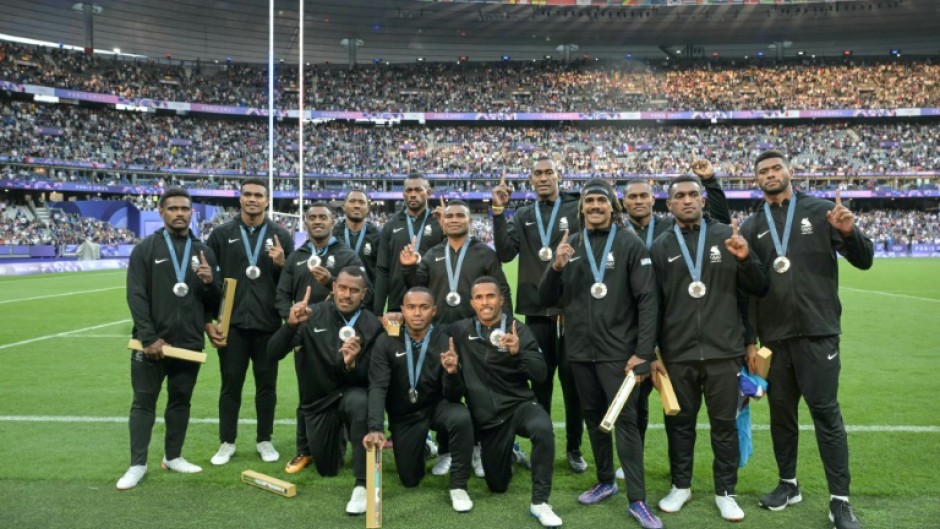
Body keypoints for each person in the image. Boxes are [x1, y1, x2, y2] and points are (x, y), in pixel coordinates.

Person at [740, 150, 872, 529]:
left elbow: (864, 260)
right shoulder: (752, 226)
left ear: (789, 172)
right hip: (775, 340)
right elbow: (749, 291)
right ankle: (788, 484)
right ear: (756, 180)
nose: (769, 175)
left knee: (826, 414)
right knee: (782, 417)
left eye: (775, 168)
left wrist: (849, 232)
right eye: (762, 171)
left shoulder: (820, 211)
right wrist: (750, 342)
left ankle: (840, 501)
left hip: (819, 333)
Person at [538, 179, 661, 529]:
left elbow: (648, 301)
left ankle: (637, 500)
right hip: (578, 352)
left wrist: (642, 352)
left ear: (612, 207)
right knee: (594, 419)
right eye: (589, 201)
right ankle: (606, 480)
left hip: (619, 355)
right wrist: (557, 265)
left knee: (624, 424)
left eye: (601, 201)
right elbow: (545, 298)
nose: (594, 206)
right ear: (582, 208)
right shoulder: (570, 245)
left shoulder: (629, 243)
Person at [649, 175, 769, 521]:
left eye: (693, 195)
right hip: (678, 354)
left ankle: (726, 492)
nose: (687, 200)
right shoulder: (660, 245)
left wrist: (746, 259)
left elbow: (755, 289)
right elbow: (652, 304)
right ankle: (681, 487)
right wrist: (655, 351)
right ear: (669, 205)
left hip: (724, 352)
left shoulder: (726, 237)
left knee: (724, 426)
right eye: (679, 196)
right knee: (679, 425)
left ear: (703, 201)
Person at [620, 160, 731, 478]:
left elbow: (717, 223)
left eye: (644, 196)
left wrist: (711, 181)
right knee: (637, 404)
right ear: (624, 202)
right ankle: (633, 461)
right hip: (636, 328)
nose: (639, 201)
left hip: (681, 337)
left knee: (687, 415)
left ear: (655, 202)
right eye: (633, 196)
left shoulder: (670, 231)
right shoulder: (621, 233)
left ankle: (710, 483)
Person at [401, 199, 514, 477]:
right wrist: (408, 267)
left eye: (459, 215)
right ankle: (448, 450)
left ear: (469, 220)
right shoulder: (432, 254)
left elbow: (502, 291)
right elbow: (417, 289)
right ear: (442, 222)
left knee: (478, 392)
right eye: (448, 216)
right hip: (440, 334)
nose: (453, 219)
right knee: (442, 393)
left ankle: (477, 448)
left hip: (477, 333)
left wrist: (506, 325)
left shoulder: (484, 253)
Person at [118, 187, 220, 490]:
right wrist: (149, 338)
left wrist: (209, 283)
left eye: (185, 209)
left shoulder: (204, 251)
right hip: (151, 345)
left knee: (180, 401)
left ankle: (173, 457)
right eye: (173, 208)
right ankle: (137, 464)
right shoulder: (145, 249)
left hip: (188, 343)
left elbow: (213, 303)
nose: (179, 213)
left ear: (192, 213)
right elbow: (136, 295)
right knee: (143, 403)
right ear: (161, 212)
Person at [492, 157, 587, 473]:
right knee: (540, 384)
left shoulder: (576, 209)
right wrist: (498, 212)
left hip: (573, 311)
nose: (543, 178)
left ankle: (574, 448)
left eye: (549, 172)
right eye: (537, 173)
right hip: (536, 313)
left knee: (574, 386)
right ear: (530, 180)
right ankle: (541, 446)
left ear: (559, 177)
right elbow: (505, 253)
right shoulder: (522, 214)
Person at [267, 267, 384, 515]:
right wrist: (289, 326)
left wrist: (352, 364)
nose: (347, 295)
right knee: (328, 469)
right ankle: (338, 437)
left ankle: (363, 485)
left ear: (363, 294)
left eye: (354, 290)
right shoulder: (311, 315)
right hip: (319, 402)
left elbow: (373, 380)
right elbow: (272, 354)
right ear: (333, 288)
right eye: (342, 288)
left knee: (360, 401)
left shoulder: (372, 325)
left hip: (351, 397)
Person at [450, 277, 561, 528]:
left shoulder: (517, 329)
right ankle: (511, 454)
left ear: (501, 300)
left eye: (490, 296)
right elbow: (426, 330)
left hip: (519, 406)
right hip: (489, 419)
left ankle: (540, 502)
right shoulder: (460, 330)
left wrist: (519, 353)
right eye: (479, 298)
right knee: (497, 486)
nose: (485, 302)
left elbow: (541, 373)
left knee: (542, 428)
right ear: (471, 303)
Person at [205, 178, 294, 466]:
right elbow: (209, 280)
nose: (252, 199)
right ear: (240, 199)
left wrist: (282, 264)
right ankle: (227, 442)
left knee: (266, 386)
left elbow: (291, 282)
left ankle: (264, 439)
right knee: (230, 385)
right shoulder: (221, 234)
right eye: (247, 194)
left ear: (267, 201)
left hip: (268, 326)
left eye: (258, 195)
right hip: (232, 326)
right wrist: (212, 317)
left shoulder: (281, 235)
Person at [275, 202, 368, 474]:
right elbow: (281, 295)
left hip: (342, 333)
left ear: (332, 222)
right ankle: (304, 449)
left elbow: (367, 293)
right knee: (308, 392)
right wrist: (292, 320)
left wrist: (330, 281)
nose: (317, 221)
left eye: (323, 217)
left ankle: (349, 440)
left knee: (348, 388)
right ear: (305, 222)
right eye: (312, 217)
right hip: (306, 335)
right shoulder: (296, 257)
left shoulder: (347, 255)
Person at [363, 287, 475, 512]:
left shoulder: (445, 340)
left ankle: (459, 486)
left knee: (460, 415)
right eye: (411, 307)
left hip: (436, 406)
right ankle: (425, 447)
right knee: (410, 480)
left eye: (424, 307)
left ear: (434, 310)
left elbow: (453, 396)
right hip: (404, 414)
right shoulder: (386, 341)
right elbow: (378, 387)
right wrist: (375, 427)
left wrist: (453, 373)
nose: (417, 313)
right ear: (402, 310)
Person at [373, 172, 444, 315]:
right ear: (403, 194)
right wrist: (378, 312)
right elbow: (382, 270)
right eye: (408, 190)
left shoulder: (439, 223)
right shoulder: (390, 226)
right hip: (397, 306)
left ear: (428, 193)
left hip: (433, 305)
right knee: (394, 337)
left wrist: (447, 226)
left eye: (418, 190)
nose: (413, 194)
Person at [333, 190, 380, 284]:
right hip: (340, 294)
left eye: (361, 202)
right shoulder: (333, 236)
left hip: (368, 295)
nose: (357, 205)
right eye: (352, 201)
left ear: (367, 208)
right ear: (344, 206)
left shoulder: (377, 237)